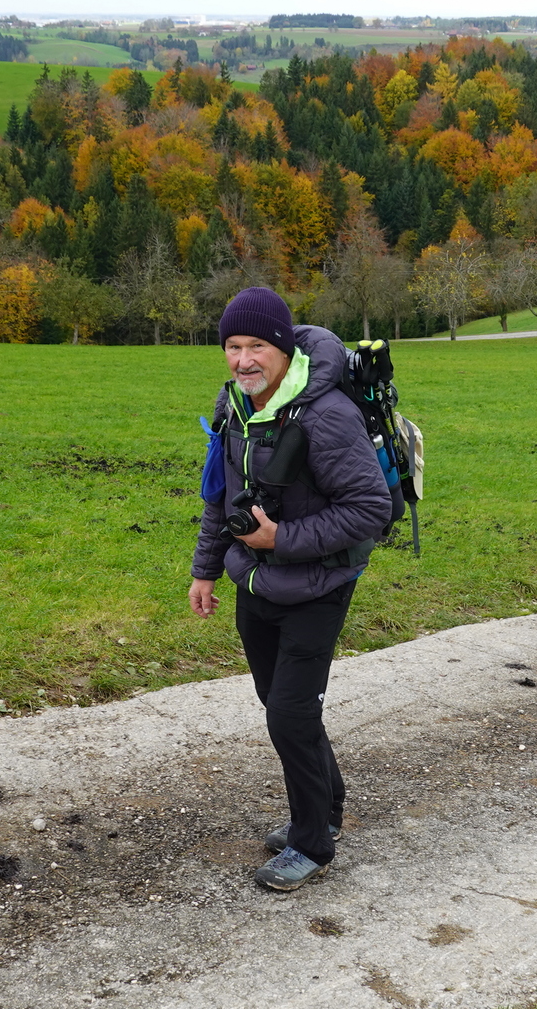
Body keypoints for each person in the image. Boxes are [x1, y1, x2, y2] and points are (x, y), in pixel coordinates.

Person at [189, 286, 392, 892]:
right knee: (280, 701)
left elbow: (370, 509)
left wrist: (281, 538)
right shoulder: (234, 406)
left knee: (289, 715)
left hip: (318, 585)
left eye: (256, 346)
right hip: (253, 581)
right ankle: (326, 808)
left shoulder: (327, 414)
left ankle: (312, 843)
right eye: (232, 346)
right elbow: (219, 497)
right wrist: (205, 570)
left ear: (282, 348)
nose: (243, 359)